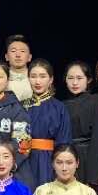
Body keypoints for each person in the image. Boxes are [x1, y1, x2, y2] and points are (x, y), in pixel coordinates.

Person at [17, 59, 73, 188]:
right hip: (24, 162)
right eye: (33, 76)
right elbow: (16, 140)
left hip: (49, 162)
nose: (37, 81)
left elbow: (64, 142)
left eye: (42, 76)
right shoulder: (20, 106)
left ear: (51, 79)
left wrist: (59, 166)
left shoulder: (59, 107)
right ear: (28, 78)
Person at [62, 61, 98, 191]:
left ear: (88, 80)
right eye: (70, 78)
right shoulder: (61, 104)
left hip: (86, 158)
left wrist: (92, 177)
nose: (74, 83)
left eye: (79, 78)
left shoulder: (95, 104)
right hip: (66, 156)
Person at [4, 35, 33, 103]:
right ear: (6, 56)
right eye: (13, 51)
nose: (18, 55)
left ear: (29, 57)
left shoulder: (36, 79)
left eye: (22, 51)